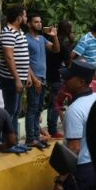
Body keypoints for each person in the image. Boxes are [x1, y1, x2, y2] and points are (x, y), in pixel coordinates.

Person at [61, 60, 96, 190]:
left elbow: (74, 149)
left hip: (81, 171)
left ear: (81, 82)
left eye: (69, 77)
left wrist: (60, 183)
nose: (64, 80)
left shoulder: (75, 110)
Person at [0, 5, 33, 153]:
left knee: (16, 110)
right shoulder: (8, 33)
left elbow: (23, 55)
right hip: (10, 79)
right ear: (18, 18)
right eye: (24, 15)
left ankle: (14, 141)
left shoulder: (19, 32)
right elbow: (9, 57)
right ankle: (6, 143)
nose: (26, 18)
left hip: (19, 78)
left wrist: (27, 75)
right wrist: (17, 79)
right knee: (10, 111)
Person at [25, 12, 57, 149]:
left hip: (43, 78)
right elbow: (25, 61)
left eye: (40, 21)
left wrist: (54, 36)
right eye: (36, 22)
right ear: (29, 24)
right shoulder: (26, 39)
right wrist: (34, 79)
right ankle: (30, 138)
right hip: (34, 79)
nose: (39, 24)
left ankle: (36, 137)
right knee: (32, 108)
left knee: (38, 108)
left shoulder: (42, 39)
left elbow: (56, 49)